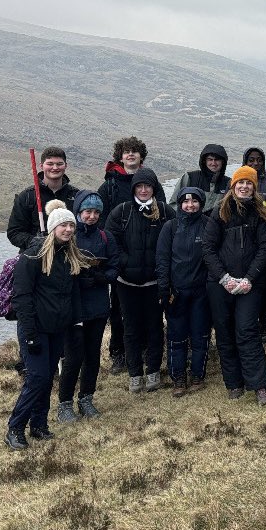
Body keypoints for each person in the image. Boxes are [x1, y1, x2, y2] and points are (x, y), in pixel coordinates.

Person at [5, 200, 87, 450]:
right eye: (63, 225)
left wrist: (75, 323)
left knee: (47, 377)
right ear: (52, 228)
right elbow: (22, 297)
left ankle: (39, 425)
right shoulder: (33, 255)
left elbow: (70, 295)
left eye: (71, 225)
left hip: (57, 328)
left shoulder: (68, 255)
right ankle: (15, 428)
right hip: (36, 329)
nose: (68, 229)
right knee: (37, 378)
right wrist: (29, 334)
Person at [203, 164, 266, 405]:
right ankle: (233, 383)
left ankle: (259, 385)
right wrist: (224, 278)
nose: (244, 187)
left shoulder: (261, 213)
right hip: (220, 283)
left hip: (249, 285)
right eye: (240, 183)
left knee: (246, 330)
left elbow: (265, 249)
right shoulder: (218, 212)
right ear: (233, 186)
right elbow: (208, 249)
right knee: (224, 332)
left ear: (254, 188)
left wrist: (249, 279)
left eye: (249, 183)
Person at [99, 136, 166, 375]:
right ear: (120, 155)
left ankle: (149, 352)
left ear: (141, 156)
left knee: (151, 314)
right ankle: (119, 353)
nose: (130, 155)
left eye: (134, 152)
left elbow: (166, 225)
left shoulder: (152, 183)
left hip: (150, 266)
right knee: (118, 312)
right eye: (126, 152)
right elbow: (104, 226)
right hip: (123, 267)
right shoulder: (110, 186)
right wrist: (119, 260)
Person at [105, 166, 175, 394]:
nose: (144, 190)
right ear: (134, 188)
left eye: (148, 186)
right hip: (127, 284)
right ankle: (135, 373)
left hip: (155, 283)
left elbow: (174, 242)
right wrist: (125, 263)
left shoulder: (165, 212)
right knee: (131, 328)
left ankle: (153, 370)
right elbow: (111, 243)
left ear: (154, 188)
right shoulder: (121, 212)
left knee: (155, 327)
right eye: (140, 186)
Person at [56, 191, 119, 422]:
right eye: (87, 211)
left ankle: (86, 399)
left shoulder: (106, 238)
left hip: (99, 306)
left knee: (92, 355)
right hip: (74, 307)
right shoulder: (69, 237)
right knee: (73, 357)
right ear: (78, 212)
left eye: (95, 212)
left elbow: (115, 267)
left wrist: (100, 278)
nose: (91, 216)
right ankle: (64, 404)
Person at [156, 186, 211, 396]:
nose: (190, 205)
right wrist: (163, 288)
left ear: (201, 203)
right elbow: (162, 260)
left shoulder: (208, 225)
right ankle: (178, 378)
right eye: (186, 202)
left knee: (200, 336)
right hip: (176, 292)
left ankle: (198, 375)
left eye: (195, 201)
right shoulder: (170, 227)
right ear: (179, 204)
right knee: (176, 337)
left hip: (201, 293)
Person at [7, 146, 79, 251]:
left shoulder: (76, 195)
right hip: (35, 258)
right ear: (41, 166)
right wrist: (37, 242)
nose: (55, 168)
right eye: (50, 164)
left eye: (59, 164)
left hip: (69, 256)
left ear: (66, 166)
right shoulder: (26, 197)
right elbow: (14, 233)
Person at [242, 147, 266, 341]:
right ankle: (248, 326)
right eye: (251, 160)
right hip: (246, 247)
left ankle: (264, 326)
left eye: (259, 160)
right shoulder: (241, 184)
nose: (255, 164)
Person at [170, 144, 229, 214]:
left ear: (223, 162)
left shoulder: (229, 183)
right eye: (210, 159)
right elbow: (173, 204)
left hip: (216, 224)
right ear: (204, 161)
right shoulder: (190, 177)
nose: (213, 163)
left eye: (217, 160)